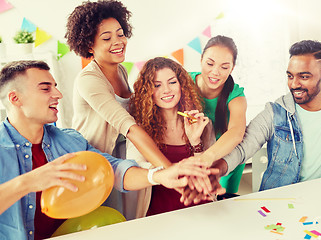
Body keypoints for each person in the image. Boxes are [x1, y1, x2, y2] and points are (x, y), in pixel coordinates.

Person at [0, 60, 213, 240]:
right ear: (15, 98)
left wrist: (159, 175)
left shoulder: (69, 141)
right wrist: (28, 182)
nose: (58, 93)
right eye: (46, 88)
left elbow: (115, 170)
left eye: (55, 86)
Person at [65, 0, 174, 219]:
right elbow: (129, 127)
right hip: (99, 161)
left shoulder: (121, 70)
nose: (118, 41)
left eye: (120, 34)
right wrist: (170, 170)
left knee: (133, 220)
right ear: (88, 45)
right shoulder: (88, 80)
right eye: (106, 38)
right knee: (109, 221)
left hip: (127, 158)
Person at [213, 40, 321, 195]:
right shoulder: (274, 112)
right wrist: (216, 171)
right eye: (290, 76)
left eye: (303, 77)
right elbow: (243, 148)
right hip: (280, 203)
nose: (294, 84)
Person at [128, 57, 221, 216]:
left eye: (172, 82)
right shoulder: (139, 129)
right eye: (157, 85)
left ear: (182, 85)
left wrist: (195, 141)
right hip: (160, 214)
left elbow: (210, 175)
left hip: (201, 210)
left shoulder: (202, 123)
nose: (166, 90)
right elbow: (133, 170)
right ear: (148, 91)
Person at [189, 35, 247, 195]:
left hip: (223, 158)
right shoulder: (184, 82)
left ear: (232, 68)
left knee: (222, 204)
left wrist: (206, 158)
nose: (215, 72)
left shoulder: (236, 96)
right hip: (193, 155)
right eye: (210, 63)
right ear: (201, 60)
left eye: (224, 67)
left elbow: (236, 133)